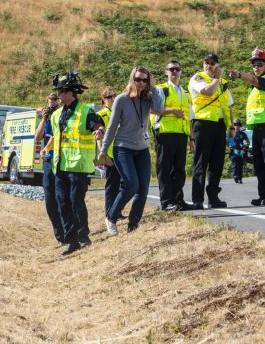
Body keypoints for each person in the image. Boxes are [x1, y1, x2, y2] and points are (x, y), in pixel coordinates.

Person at [99, 67, 164, 235]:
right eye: (138, 79)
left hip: (142, 149)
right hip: (123, 149)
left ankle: (133, 226)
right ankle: (111, 217)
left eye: (145, 80)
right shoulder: (121, 99)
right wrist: (103, 151)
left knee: (143, 189)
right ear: (131, 79)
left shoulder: (148, 98)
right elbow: (112, 127)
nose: (141, 83)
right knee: (131, 186)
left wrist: (154, 87)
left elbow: (159, 109)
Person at [49, 72, 105, 254]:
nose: (58, 95)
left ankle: (83, 236)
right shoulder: (56, 115)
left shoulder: (85, 111)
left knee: (75, 201)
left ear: (70, 92)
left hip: (78, 165)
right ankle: (70, 241)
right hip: (60, 165)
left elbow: (99, 125)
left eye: (61, 91)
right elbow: (56, 137)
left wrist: (100, 132)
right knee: (62, 202)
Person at [228, 47, 265, 205]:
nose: (256, 68)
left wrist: (239, 75)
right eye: (254, 65)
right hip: (257, 129)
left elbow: (252, 79)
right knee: (259, 164)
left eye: (259, 64)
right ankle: (264, 195)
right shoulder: (255, 88)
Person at [189, 53, 233, 209]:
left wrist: (231, 126)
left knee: (217, 163)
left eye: (212, 63)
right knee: (201, 163)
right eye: (206, 62)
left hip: (219, 125)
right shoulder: (198, 78)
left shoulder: (223, 83)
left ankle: (213, 198)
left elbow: (228, 105)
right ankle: (197, 200)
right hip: (203, 124)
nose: (208, 65)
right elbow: (207, 91)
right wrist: (217, 78)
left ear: (217, 65)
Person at [150, 61, 193, 211]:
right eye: (171, 69)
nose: (175, 71)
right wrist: (172, 111)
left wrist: (192, 138)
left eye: (177, 69)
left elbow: (190, 116)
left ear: (181, 71)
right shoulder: (161, 89)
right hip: (165, 132)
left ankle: (178, 200)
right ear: (165, 72)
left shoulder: (185, 92)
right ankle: (167, 202)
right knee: (165, 168)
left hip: (181, 134)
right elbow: (152, 110)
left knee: (179, 170)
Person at [34, 92, 64, 244]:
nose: (53, 103)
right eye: (51, 100)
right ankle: (59, 232)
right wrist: (44, 118)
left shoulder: (63, 115)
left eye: (56, 100)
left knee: (62, 197)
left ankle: (66, 231)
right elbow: (37, 138)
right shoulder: (46, 118)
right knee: (49, 199)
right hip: (48, 161)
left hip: (62, 160)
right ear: (47, 102)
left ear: (60, 101)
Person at [96, 87, 120, 218]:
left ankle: (117, 211)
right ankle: (110, 212)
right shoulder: (102, 114)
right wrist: (102, 154)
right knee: (111, 185)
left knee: (119, 184)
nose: (112, 99)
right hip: (109, 153)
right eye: (109, 97)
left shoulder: (117, 111)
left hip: (120, 151)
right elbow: (98, 137)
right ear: (103, 100)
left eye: (113, 95)